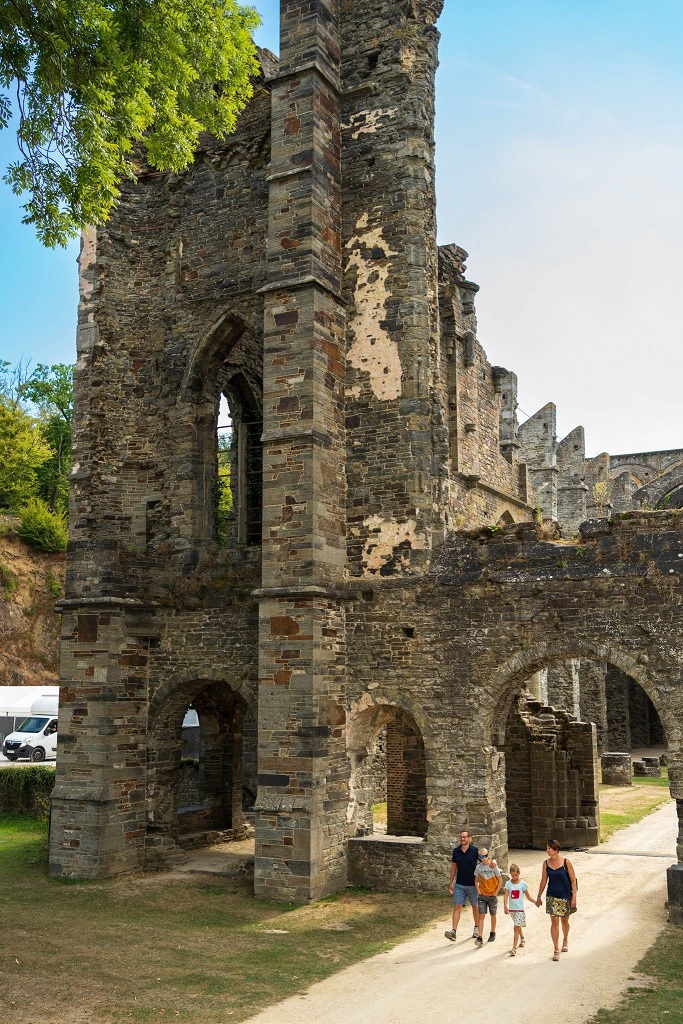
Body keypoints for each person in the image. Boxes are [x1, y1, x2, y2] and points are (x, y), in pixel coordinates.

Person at [535, 838, 578, 961]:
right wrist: (538, 896)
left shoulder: (566, 862)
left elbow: (573, 880)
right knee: (554, 922)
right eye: (547, 848)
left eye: (549, 848)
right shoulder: (546, 864)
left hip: (565, 895)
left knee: (564, 921)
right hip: (552, 896)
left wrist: (574, 897)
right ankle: (556, 949)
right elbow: (543, 881)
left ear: (556, 850)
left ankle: (565, 939)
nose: (547, 850)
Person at [445, 829, 479, 941]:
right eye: (461, 837)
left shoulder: (475, 851)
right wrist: (451, 883)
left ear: (470, 838)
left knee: (475, 907)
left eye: (464, 837)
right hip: (460, 884)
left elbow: (484, 862)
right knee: (457, 906)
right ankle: (454, 931)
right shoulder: (456, 851)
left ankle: (477, 928)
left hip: (473, 885)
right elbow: (454, 867)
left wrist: (491, 866)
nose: (462, 839)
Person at [503, 862, 536, 956]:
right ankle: (522, 938)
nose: (514, 877)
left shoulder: (523, 884)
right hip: (512, 910)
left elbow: (528, 897)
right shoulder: (508, 884)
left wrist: (535, 902)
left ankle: (513, 948)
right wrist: (505, 907)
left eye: (516, 875)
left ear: (519, 873)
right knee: (518, 926)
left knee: (516, 927)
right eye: (512, 875)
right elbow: (505, 896)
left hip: (520, 910)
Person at [474, 847, 502, 945]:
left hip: (492, 895)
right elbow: (476, 881)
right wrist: (479, 891)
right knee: (481, 916)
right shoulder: (478, 867)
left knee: (493, 915)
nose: (484, 858)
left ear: (488, 855)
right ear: (479, 857)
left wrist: (496, 893)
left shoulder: (493, 866)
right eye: (481, 856)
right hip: (482, 895)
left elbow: (500, 881)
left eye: (485, 856)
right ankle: (480, 937)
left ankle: (492, 932)